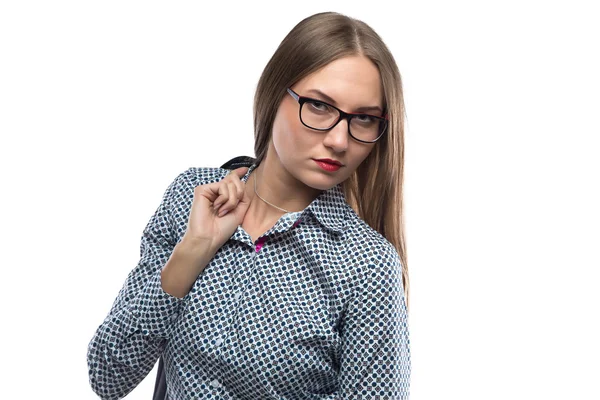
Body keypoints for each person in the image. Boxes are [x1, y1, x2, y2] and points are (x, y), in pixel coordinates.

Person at [87, 11, 411, 399]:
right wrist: (192, 252)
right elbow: (107, 376)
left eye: (362, 118)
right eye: (320, 106)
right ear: (276, 94)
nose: (340, 140)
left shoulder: (367, 265)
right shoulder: (192, 196)